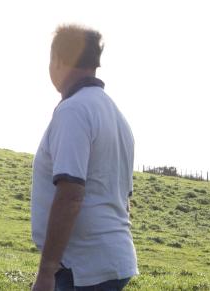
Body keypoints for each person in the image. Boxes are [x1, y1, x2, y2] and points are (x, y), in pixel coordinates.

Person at [30, 24, 138, 291]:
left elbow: (70, 195)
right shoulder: (115, 115)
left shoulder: (74, 111)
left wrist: (46, 271)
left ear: (57, 60)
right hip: (109, 260)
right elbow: (124, 200)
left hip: (82, 269)